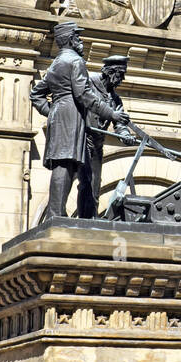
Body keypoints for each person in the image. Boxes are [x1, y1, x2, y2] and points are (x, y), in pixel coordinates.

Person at [30, 22, 129, 222]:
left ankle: (57, 213)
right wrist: (111, 114)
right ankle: (55, 215)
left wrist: (53, 113)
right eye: (78, 37)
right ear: (69, 39)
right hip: (71, 115)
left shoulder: (57, 62)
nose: (81, 41)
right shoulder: (75, 61)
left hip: (63, 114)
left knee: (67, 165)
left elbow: (36, 93)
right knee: (66, 164)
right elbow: (84, 95)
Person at [77, 55, 131, 220]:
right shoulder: (89, 84)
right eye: (121, 75)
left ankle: (90, 219)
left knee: (94, 186)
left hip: (97, 146)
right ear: (111, 72)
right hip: (82, 141)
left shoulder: (115, 98)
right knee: (85, 183)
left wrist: (125, 135)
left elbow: (120, 123)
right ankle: (85, 220)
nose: (122, 79)